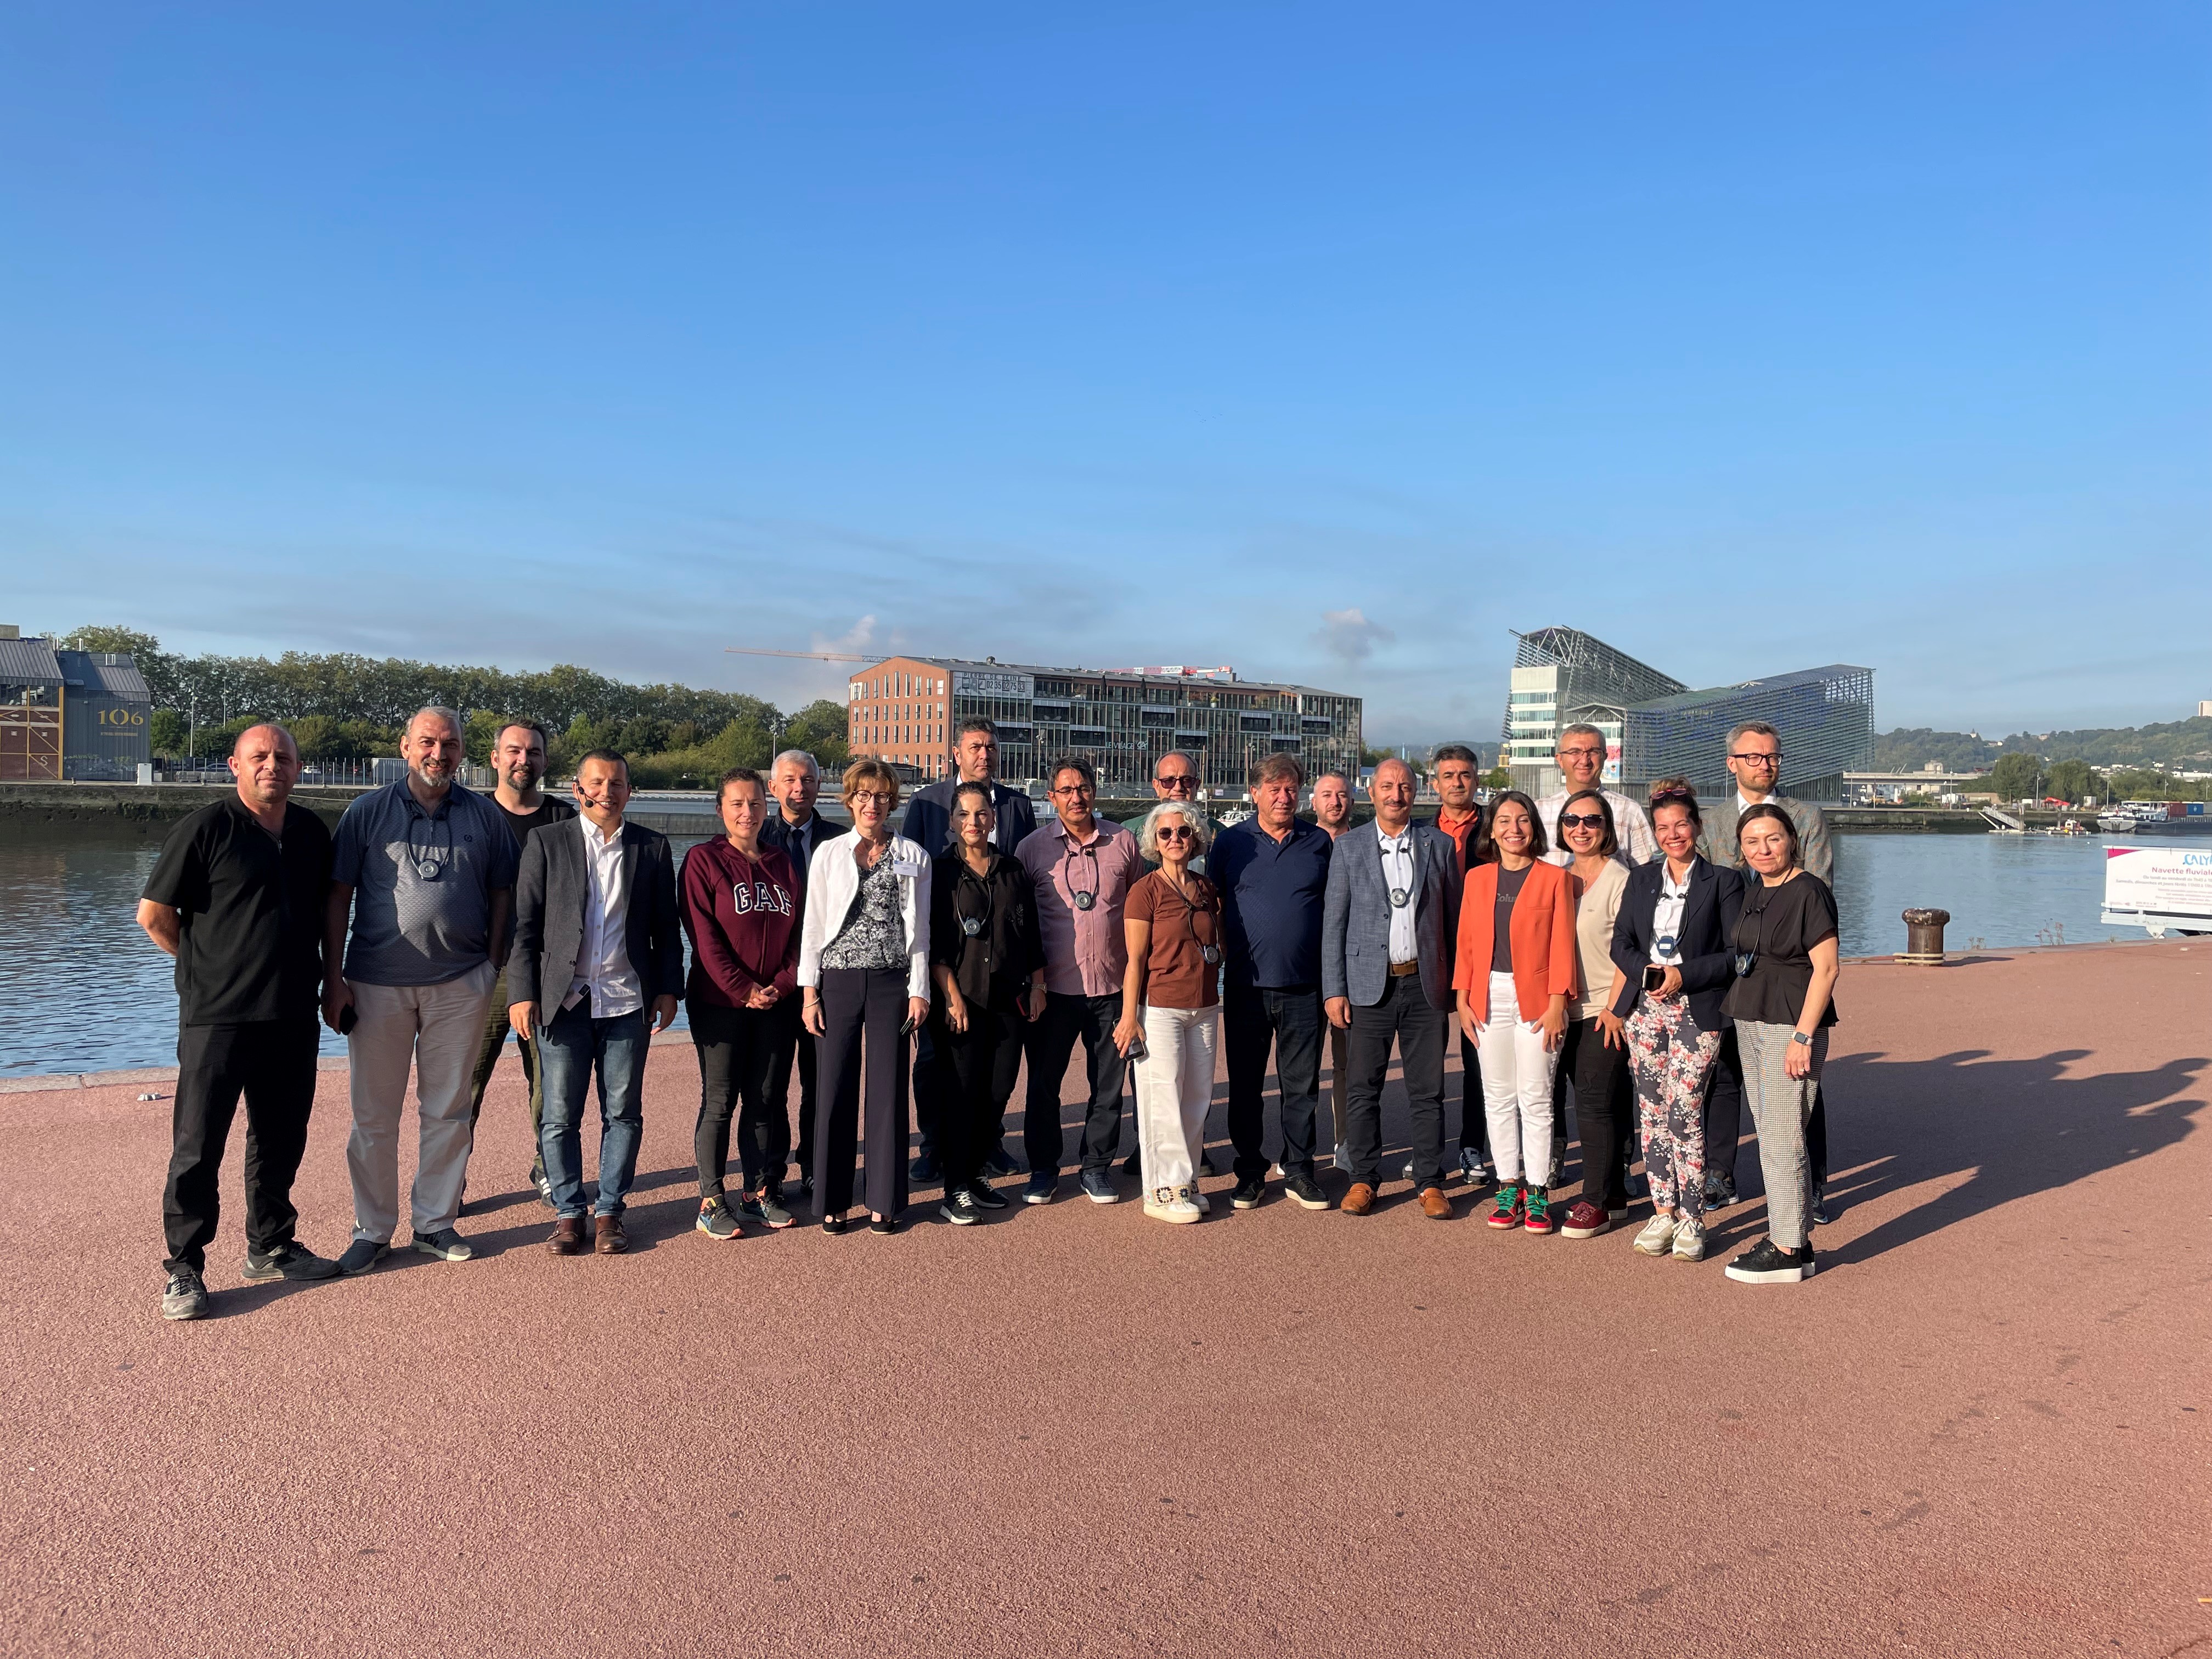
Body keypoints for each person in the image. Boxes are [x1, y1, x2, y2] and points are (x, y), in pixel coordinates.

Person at [138, 723, 340, 1320]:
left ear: (298, 768)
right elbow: (153, 915)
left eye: (283, 757)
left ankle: (271, 1245)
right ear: (235, 765)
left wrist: (333, 977)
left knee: (280, 1140)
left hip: (292, 1013)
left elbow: (329, 909)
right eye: (259, 756)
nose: (271, 765)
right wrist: (206, 965)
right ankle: (184, 1269)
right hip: (217, 1019)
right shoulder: (205, 828)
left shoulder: (309, 832)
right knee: (199, 1146)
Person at [324, 707, 515, 1273]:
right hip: (375, 982)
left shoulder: (485, 816)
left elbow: (504, 891)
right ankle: (373, 1229)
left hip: (459, 983)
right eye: (428, 743)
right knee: (373, 1116)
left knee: (449, 1111)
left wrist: (493, 963)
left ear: (463, 752)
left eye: (451, 744)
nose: (439, 753)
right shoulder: (366, 812)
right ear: (406, 747)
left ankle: (434, 1223)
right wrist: (331, 978)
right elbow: (337, 896)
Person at [507, 750, 681, 1256]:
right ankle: (568, 1212)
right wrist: (522, 993)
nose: (608, 791)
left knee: (623, 1113)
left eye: (618, 783)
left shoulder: (651, 847)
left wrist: (669, 988)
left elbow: (666, 928)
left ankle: (610, 1210)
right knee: (559, 1114)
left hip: (627, 1000)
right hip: (563, 1001)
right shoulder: (547, 841)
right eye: (598, 783)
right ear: (579, 788)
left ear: (630, 790)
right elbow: (525, 929)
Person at [1697, 720, 1836, 1214]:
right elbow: (1701, 892)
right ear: (1732, 762)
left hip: (1790, 970)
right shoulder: (1711, 823)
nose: (1765, 764)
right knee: (1728, 1075)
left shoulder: (1805, 816)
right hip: (1729, 964)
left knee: (1800, 1086)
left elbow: (1815, 890)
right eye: (1754, 757)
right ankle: (1721, 1175)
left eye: (1773, 756)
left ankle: (1812, 1186)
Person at [1608, 780, 1745, 1264]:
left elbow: (1735, 955)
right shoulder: (1641, 879)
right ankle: (1662, 1209)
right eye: (1663, 827)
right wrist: (1645, 973)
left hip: (1697, 1008)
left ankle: (1693, 1216)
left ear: (1697, 827)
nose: (1672, 834)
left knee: (1684, 1109)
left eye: (1681, 824)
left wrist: (1682, 974)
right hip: (1645, 1008)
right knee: (1651, 1111)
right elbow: (1620, 942)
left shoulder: (1724, 882)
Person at [897, 717, 1037, 1183]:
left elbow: (1024, 879)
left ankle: (988, 1141)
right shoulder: (926, 802)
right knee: (935, 1060)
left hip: (1001, 961)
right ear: (956, 753)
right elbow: (911, 875)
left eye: (992, 747)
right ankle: (934, 1144)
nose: (985, 754)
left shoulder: (1017, 805)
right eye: (975, 747)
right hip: (947, 955)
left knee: (995, 1064)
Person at [1322, 758, 1459, 1219]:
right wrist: (1333, 989)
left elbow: (1454, 921)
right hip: (1367, 986)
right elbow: (1333, 925)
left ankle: (1430, 1181)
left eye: (1404, 786)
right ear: (1371, 791)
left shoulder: (1439, 845)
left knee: (1428, 1089)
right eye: (1387, 786)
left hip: (1424, 985)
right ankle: (1363, 1177)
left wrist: (1457, 983)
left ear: (1417, 791)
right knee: (1363, 1088)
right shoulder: (1350, 847)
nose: (1396, 794)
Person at [798, 760, 931, 1234]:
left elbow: (920, 931)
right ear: (850, 799)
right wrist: (809, 992)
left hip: (892, 982)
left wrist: (919, 990)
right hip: (837, 981)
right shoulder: (830, 853)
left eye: (881, 796)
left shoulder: (913, 855)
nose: (872, 804)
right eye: (863, 795)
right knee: (833, 1088)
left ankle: (884, 1198)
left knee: (888, 1091)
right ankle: (832, 1198)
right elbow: (812, 926)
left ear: (892, 801)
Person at [1015, 757, 1146, 1205]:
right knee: (1044, 1086)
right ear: (1051, 797)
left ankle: (1095, 1167)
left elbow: (1139, 911)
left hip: (1111, 990)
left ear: (1095, 791)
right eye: (1066, 790)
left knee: (1107, 1088)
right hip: (1051, 992)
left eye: (1083, 787)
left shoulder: (1123, 842)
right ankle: (1044, 1170)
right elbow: (1021, 922)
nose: (1076, 797)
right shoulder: (1031, 849)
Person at [680, 767, 803, 1241]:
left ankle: (758, 1191)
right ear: (720, 810)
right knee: (720, 1100)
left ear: (766, 807)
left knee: (766, 1099)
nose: (747, 812)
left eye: (755, 803)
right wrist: (742, 989)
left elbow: (800, 933)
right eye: (737, 804)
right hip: (720, 1004)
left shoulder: (782, 863)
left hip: (776, 1003)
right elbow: (704, 938)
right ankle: (712, 1199)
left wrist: (782, 985)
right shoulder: (702, 860)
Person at [1720, 804, 1841, 1284]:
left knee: (1784, 1137)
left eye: (1772, 839)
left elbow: (1827, 969)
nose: (1763, 850)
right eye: (1752, 842)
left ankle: (1787, 1247)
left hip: (1789, 1026)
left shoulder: (1809, 891)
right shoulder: (1757, 890)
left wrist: (1802, 1036)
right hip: (1750, 1018)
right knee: (1770, 1133)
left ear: (1791, 839)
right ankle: (1794, 1239)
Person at [1210, 753, 1334, 1211]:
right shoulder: (1230, 843)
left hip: (1305, 986)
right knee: (1244, 1086)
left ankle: (1300, 1169)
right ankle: (1249, 1172)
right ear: (1255, 793)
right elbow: (1213, 905)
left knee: (1301, 1086)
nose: (1284, 797)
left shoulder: (1319, 842)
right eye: (1274, 788)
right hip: (1245, 986)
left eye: (1291, 789)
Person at [1452, 792, 1577, 1233]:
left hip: (1539, 998)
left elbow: (1564, 944)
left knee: (1538, 1097)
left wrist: (1559, 1001)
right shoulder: (1479, 879)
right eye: (1504, 821)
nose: (1514, 829)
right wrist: (1462, 997)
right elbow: (1466, 942)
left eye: (1522, 821)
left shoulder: (1555, 879)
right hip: (1488, 996)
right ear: (1492, 830)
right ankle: (1509, 1187)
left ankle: (1539, 1190)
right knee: (1498, 1096)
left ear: (1534, 828)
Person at [466, 719, 576, 1204]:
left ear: (545, 761)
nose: (523, 760)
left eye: (533, 752)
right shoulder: (469, 814)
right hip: (479, 969)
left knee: (549, 1080)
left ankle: (546, 1168)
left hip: (544, 969)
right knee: (464, 1082)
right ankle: (449, 1177)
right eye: (513, 751)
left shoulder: (564, 819)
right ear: (494, 758)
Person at [929, 782, 1046, 1224]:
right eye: (965, 815)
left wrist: (1038, 986)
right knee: (961, 1094)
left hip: (1008, 1000)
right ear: (953, 821)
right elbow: (933, 943)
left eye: (982, 814)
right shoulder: (940, 873)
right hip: (960, 1002)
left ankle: (975, 1173)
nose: (974, 822)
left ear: (994, 820)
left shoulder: (1012, 869)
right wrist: (953, 997)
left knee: (997, 1092)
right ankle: (954, 1186)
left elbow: (1030, 934)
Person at [1114, 799, 1224, 1223]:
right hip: (1160, 1009)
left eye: (1183, 832)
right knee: (1162, 1099)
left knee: (1196, 1098)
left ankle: (1188, 1181)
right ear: (1154, 841)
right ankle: (1161, 1191)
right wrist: (1130, 1017)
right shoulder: (1146, 891)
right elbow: (1135, 960)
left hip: (1204, 1007)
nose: (1175, 839)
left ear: (1195, 837)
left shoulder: (1206, 887)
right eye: (1166, 833)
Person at [761, 749, 849, 1193]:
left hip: (828, 982)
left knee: (821, 1082)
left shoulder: (842, 841)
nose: (800, 789)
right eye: (790, 780)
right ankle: (771, 1173)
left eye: (809, 780)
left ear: (820, 786)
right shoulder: (754, 838)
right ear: (772, 787)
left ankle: (817, 1166)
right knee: (771, 1085)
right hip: (775, 980)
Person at [1551, 789, 1634, 1240]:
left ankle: (1595, 1201)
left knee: (1595, 1104)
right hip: (1561, 1009)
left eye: (1592, 820)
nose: (1580, 828)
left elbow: (1629, 950)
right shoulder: (1559, 877)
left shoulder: (1621, 879)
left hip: (1604, 1008)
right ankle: (1616, 1194)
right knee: (1602, 1101)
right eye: (1571, 820)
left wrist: (1617, 1008)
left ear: (1607, 828)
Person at [1425, 742, 1491, 1186]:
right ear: (1435, 783)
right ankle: (1427, 1150)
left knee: (1478, 1059)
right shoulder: (1420, 831)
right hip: (1432, 953)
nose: (1457, 783)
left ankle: (1472, 1146)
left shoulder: (1496, 826)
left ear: (1476, 780)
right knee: (1426, 1058)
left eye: (1464, 775)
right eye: (1448, 776)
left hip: (1483, 954)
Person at [1309, 770, 1356, 1165]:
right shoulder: (1302, 844)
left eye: (1342, 795)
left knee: (1348, 1064)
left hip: (1351, 972)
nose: (1335, 802)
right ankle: (1299, 1150)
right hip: (1306, 970)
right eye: (1327, 794)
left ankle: (1346, 1143)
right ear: (1313, 802)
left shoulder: (1364, 844)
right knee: (1302, 1068)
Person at [1535, 724, 1657, 867]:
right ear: (1560, 759)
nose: (1585, 760)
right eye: (1575, 752)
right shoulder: (1538, 811)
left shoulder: (1629, 810)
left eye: (1593, 752)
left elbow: (1647, 874)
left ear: (1605, 757)